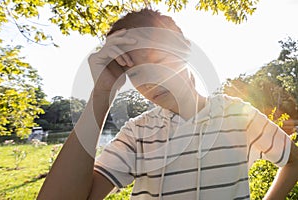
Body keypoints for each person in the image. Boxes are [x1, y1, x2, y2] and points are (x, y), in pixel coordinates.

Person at [37, 9, 298, 200]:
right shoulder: (137, 134)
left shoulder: (239, 116)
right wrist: (102, 92)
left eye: (157, 59)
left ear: (184, 50)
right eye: (135, 73)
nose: (148, 82)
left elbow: (293, 161)